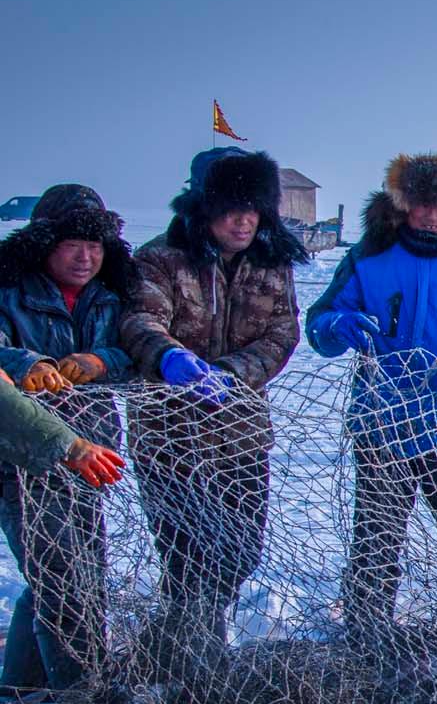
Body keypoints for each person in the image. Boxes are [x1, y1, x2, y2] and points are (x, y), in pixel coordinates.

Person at [306, 150, 437, 640]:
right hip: (382, 429)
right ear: (402, 206)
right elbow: (319, 325)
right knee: (375, 550)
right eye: (420, 204)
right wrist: (340, 325)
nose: (430, 215)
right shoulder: (368, 258)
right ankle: (367, 642)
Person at [120, 148, 307, 645]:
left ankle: (170, 645)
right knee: (185, 559)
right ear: (204, 207)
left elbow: (282, 332)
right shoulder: (160, 258)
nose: (244, 221)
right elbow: (140, 319)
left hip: (241, 436)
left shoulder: (271, 262)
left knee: (240, 550)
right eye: (231, 208)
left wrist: (230, 374)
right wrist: (168, 358)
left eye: (253, 209)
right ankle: (196, 659)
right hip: (168, 439)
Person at [0, 185, 135, 691]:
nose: (86, 258)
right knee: (63, 580)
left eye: (96, 246)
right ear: (43, 245)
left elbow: (130, 345)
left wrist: (102, 360)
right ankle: (83, 695)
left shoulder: (108, 295)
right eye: (73, 245)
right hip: (21, 461)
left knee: (67, 575)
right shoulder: (10, 289)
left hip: (91, 454)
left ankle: (18, 690)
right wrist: (27, 361)